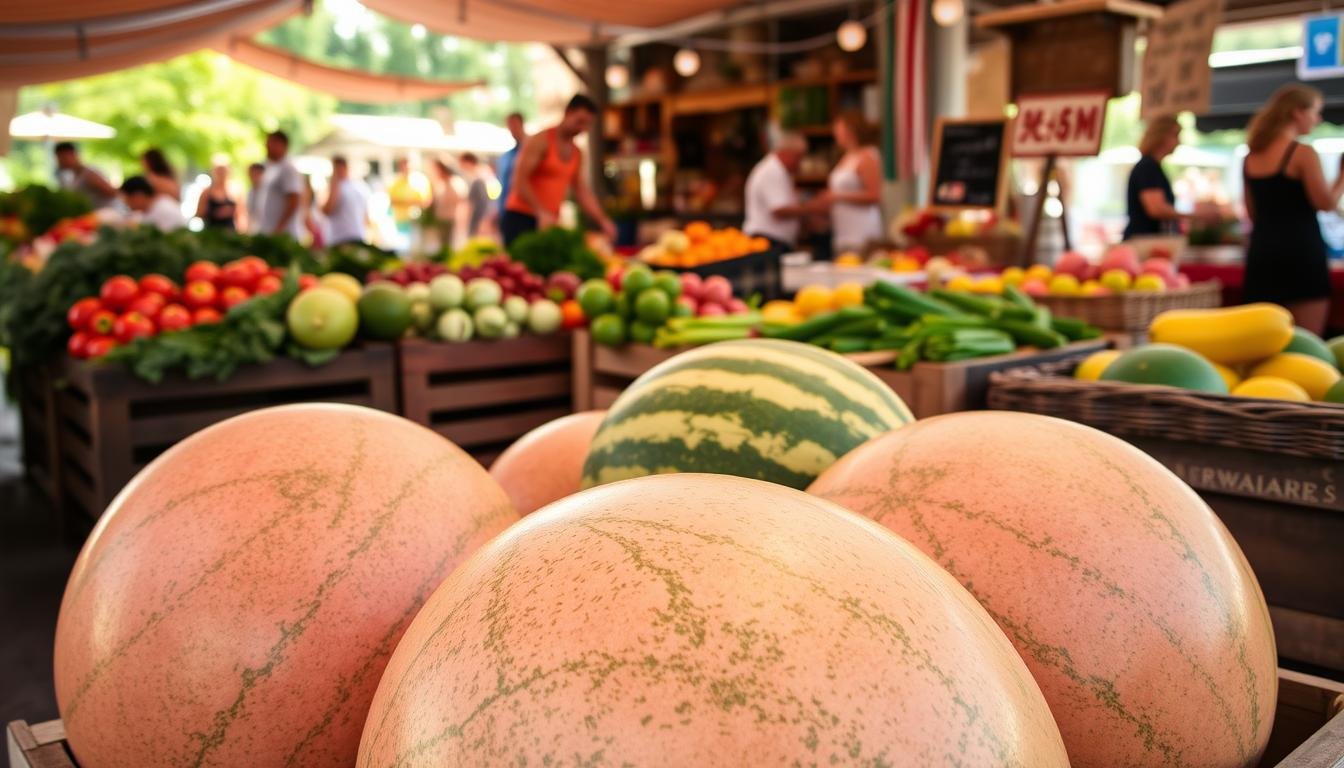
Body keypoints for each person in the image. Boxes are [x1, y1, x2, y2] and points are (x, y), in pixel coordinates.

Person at [1242, 84, 1344, 334]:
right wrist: (1342, 177)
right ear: (1298, 113)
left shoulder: (1251, 157)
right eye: (1315, 112)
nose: (1318, 119)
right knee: (1308, 344)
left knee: (1262, 340)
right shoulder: (1302, 153)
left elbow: (1252, 212)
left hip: (1262, 253)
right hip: (1301, 253)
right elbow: (1325, 203)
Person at [503, 95, 616, 246]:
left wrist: (603, 220)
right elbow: (518, 181)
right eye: (579, 122)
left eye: (587, 124)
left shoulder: (577, 153)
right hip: (521, 218)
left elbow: (582, 191)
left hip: (548, 222)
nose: (582, 128)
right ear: (568, 113)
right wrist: (540, 211)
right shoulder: (541, 141)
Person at [821, 112, 883, 254]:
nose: (835, 133)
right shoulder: (846, 156)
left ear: (851, 130)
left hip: (861, 230)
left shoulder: (867, 156)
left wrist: (838, 197)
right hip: (843, 231)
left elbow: (875, 195)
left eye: (839, 129)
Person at [742, 131, 810, 250]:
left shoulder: (779, 170)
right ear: (786, 153)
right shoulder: (772, 171)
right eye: (798, 157)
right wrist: (813, 208)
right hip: (766, 241)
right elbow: (779, 209)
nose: (800, 163)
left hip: (773, 240)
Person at [1123, 116, 1183, 240]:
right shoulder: (1147, 167)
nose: (1179, 142)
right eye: (1175, 135)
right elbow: (1156, 209)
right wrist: (1197, 216)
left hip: (1148, 240)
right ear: (1161, 136)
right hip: (1143, 241)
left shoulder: (1153, 167)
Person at [255, 130, 304, 240]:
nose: (266, 146)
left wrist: (279, 228)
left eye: (271, 143)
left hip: (283, 236)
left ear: (282, 145)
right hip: (269, 231)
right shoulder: (272, 167)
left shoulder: (288, 168)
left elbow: (294, 199)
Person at [53, 142, 117, 209]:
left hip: (108, 214)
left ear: (72, 154)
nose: (59, 162)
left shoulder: (89, 174)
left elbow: (112, 193)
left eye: (61, 158)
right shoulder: (73, 176)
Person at [324, 155, 369, 245]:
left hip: (340, 238)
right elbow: (366, 216)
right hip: (357, 234)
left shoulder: (338, 187)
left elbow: (327, 210)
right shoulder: (361, 186)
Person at [387, 157, 431, 246]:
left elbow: (425, 201)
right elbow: (392, 201)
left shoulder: (420, 181)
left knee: (416, 246)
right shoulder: (395, 182)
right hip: (401, 220)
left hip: (417, 220)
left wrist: (404, 202)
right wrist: (411, 202)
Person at [120, 175, 185, 232]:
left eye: (127, 200)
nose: (127, 204)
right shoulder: (150, 208)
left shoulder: (164, 209)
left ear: (138, 196)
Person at [495, 112, 526, 222]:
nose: (512, 130)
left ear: (522, 124)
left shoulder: (530, 151)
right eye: (510, 126)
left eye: (515, 125)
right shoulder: (506, 156)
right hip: (507, 209)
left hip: (524, 211)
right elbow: (502, 185)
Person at [195, 161, 239, 231]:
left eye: (223, 170)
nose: (221, 173)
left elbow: (240, 214)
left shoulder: (235, 191)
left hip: (230, 232)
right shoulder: (206, 192)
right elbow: (199, 213)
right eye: (219, 170)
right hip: (211, 231)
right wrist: (215, 213)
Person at [429, 158, 460, 251]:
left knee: (447, 245)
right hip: (441, 219)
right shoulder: (440, 184)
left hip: (448, 219)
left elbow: (458, 201)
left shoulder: (453, 183)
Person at [459, 152, 489, 238]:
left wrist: (482, 221)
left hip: (477, 219)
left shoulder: (478, 179)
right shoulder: (474, 178)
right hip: (476, 218)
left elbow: (482, 202)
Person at [244, 162, 265, 234]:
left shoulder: (268, 193)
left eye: (256, 174)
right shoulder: (250, 192)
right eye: (251, 174)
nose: (253, 177)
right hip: (254, 231)